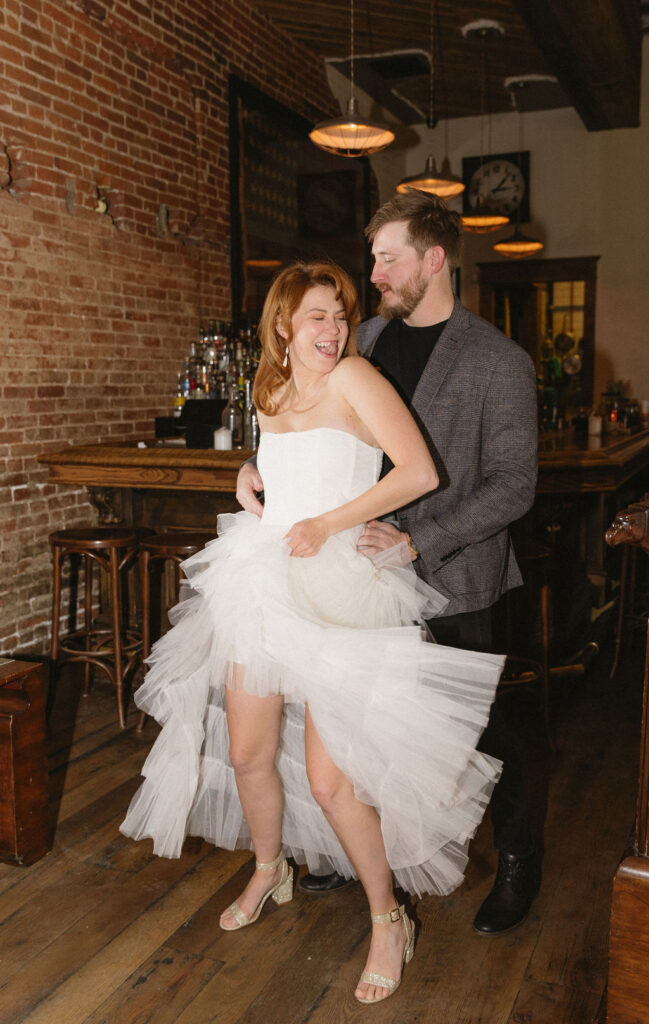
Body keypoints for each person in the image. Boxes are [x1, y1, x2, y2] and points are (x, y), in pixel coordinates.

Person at [121, 260, 505, 1005]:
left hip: (340, 587)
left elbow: (419, 470)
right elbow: (289, 460)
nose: (333, 330)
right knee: (246, 751)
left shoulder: (357, 378)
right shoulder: (269, 388)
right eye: (318, 317)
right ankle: (271, 871)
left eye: (340, 314)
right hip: (262, 577)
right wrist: (246, 469)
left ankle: (388, 918)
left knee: (331, 782)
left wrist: (330, 522)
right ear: (283, 327)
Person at [236, 192, 540, 936]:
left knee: (478, 733)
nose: (372, 274)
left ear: (433, 261)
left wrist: (418, 541)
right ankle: (356, 855)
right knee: (347, 726)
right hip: (350, 574)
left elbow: (514, 484)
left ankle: (515, 861)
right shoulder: (363, 337)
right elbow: (316, 427)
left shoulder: (497, 360)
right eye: (372, 258)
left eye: (387, 258)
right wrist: (252, 466)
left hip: (452, 573)